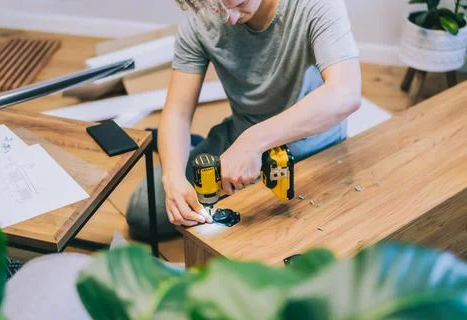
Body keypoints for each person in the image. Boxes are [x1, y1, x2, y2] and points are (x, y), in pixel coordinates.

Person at [127, 0, 361, 239]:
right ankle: (198, 148)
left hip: (311, 149)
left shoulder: (315, 5)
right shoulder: (201, 14)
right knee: (143, 212)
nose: (229, 18)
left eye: (239, 3)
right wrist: (173, 178)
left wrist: (253, 142)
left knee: (291, 242)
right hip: (239, 136)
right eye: (218, 9)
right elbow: (177, 113)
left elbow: (346, 94)